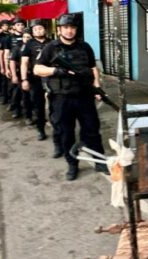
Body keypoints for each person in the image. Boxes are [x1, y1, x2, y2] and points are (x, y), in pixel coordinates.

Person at [35, 14, 108, 181]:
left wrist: (97, 87)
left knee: (92, 130)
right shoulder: (50, 48)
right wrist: (55, 71)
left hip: (84, 96)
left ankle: (99, 160)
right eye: (66, 27)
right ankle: (72, 164)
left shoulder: (85, 47)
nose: (69, 31)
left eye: (72, 28)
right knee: (65, 133)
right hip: (61, 98)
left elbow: (93, 68)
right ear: (59, 29)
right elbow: (37, 69)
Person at [21, 20, 50, 142]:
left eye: (41, 28)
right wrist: (24, 79)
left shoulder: (52, 43)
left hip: (51, 77)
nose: (38, 30)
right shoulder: (29, 44)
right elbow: (24, 63)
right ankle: (41, 129)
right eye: (36, 29)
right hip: (35, 79)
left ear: (45, 29)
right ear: (33, 31)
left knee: (55, 104)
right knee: (39, 106)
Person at [7, 18, 26, 119]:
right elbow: (6, 54)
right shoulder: (9, 38)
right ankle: (16, 109)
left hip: (27, 67)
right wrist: (7, 68)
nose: (20, 26)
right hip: (15, 66)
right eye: (18, 25)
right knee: (15, 90)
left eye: (22, 24)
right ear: (14, 26)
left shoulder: (27, 36)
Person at [0, 20, 12, 104]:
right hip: (3, 60)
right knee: (4, 80)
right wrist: (1, 65)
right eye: (4, 25)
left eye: (7, 25)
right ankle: (4, 97)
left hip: (11, 61)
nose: (6, 27)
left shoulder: (10, 36)